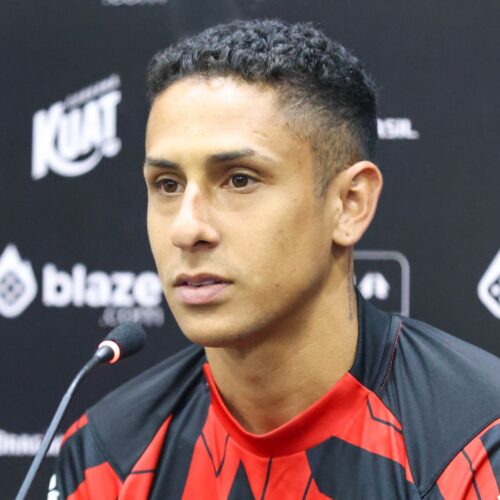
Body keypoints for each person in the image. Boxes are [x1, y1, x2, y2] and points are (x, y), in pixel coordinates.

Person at [50, 19, 500, 499]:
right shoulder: (107, 455)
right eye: (168, 184)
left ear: (349, 204)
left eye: (239, 180)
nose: (185, 229)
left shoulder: (478, 442)